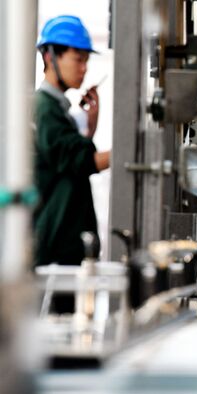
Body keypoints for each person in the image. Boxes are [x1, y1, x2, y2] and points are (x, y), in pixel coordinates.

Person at [34, 15, 110, 267]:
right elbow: (83, 161)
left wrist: (90, 126)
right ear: (50, 56)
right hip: (55, 251)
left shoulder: (56, 108)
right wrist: (135, 149)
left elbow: (69, 162)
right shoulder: (45, 109)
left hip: (63, 249)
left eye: (86, 60)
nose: (84, 68)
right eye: (78, 59)